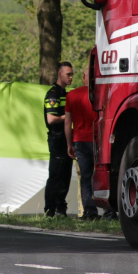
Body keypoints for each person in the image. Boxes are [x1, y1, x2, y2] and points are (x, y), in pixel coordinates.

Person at [65, 68, 114, 221]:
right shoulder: (101, 94)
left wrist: (69, 144)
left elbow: (68, 122)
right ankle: (109, 212)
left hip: (80, 140)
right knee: (103, 174)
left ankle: (90, 212)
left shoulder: (71, 95)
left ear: (83, 77)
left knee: (85, 177)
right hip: (98, 140)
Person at [43, 61, 74, 217]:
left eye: (72, 74)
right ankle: (50, 209)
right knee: (56, 174)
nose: (71, 77)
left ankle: (61, 207)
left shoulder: (66, 94)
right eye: (68, 74)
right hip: (56, 139)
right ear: (59, 74)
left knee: (66, 175)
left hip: (66, 139)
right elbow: (51, 119)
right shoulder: (53, 94)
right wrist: (67, 117)